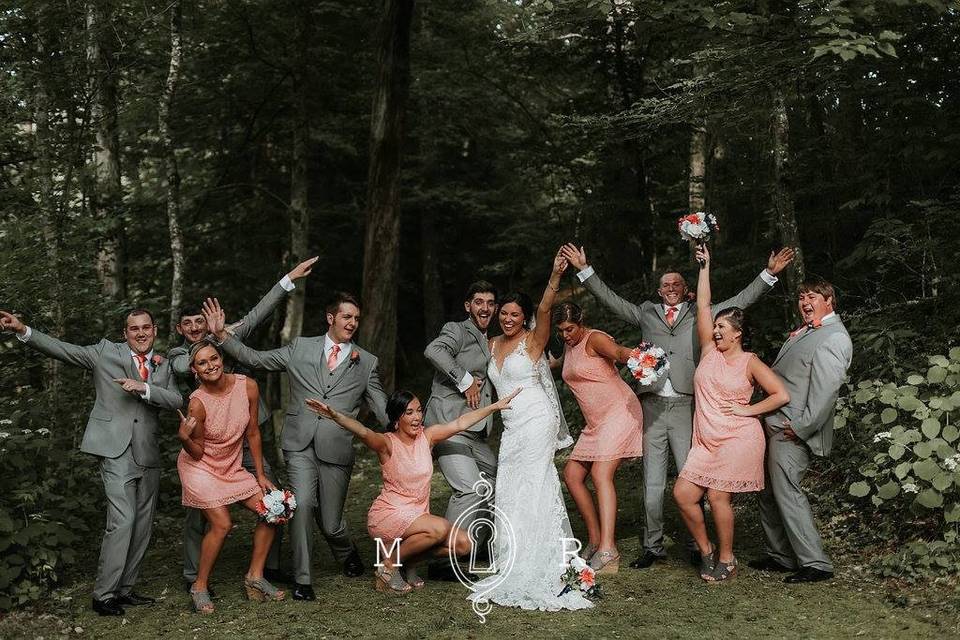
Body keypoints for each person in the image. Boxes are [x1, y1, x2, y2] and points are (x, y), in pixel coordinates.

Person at [561, 243, 795, 569]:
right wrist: (585, 271)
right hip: (652, 406)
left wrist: (769, 275)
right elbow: (612, 301)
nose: (670, 289)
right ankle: (652, 545)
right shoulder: (645, 311)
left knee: (691, 476)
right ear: (658, 291)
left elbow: (740, 302)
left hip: (688, 407)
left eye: (676, 285)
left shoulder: (702, 315)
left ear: (685, 291)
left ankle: (697, 545)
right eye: (665, 285)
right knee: (652, 481)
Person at [204, 292, 389, 602]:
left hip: (336, 449)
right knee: (301, 505)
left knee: (331, 524)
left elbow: (382, 407)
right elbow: (256, 359)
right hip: (298, 444)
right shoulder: (300, 348)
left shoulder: (366, 362)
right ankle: (303, 580)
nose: (353, 323)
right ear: (331, 318)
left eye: (356, 318)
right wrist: (222, 335)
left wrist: (404, 428)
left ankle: (345, 550)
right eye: (347, 317)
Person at [0, 309, 182, 616]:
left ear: (154, 330)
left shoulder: (164, 365)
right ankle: (104, 594)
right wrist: (23, 330)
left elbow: (177, 401)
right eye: (133, 328)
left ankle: (125, 589)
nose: (140, 333)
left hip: (148, 453)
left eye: (145, 327)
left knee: (142, 525)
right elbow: (63, 350)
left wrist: (145, 388)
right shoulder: (104, 352)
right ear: (124, 333)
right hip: (114, 450)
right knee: (122, 521)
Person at [173, 257, 317, 589]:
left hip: (245, 431)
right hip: (206, 446)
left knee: (272, 494)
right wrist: (208, 346)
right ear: (180, 328)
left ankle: (267, 569)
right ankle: (195, 577)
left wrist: (289, 277)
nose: (196, 327)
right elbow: (184, 369)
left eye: (200, 321)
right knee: (201, 513)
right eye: (188, 323)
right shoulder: (178, 355)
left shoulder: (223, 336)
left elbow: (258, 313)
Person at [468, 250, 592, 612]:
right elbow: (476, 370)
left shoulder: (534, 340)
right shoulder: (490, 344)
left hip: (538, 419)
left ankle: (545, 560)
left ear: (524, 319)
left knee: (536, 485)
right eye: (503, 314)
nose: (507, 319)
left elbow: (543, 310)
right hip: (511, 426)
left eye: (514, 315)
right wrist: (470, 383)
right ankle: (512, 560)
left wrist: (554, 277)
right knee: (509, 486)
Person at [305, 388, 520, 593]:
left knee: (465, 544)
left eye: (419, 410)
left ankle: (406, 560)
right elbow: (363, 431)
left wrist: (493, 407)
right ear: (397, 419)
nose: (417, 417)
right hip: (389, 514)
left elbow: (461, 422)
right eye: (409, 412)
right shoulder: (386, 443)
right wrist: (335, 415)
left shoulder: (428, 437)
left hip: (417, 516)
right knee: (440, 528)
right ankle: (389, 565)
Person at [672, 246, 790, 582]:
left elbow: (781, 394)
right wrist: (705, 266)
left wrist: (749, 409)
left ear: (738, 333)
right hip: (706, 440)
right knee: (683, 494)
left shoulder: (750, 361)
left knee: (717, 496)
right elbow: (703, 305)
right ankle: (706, 550)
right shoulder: (708, 351)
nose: (717, 331)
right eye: (716, 327)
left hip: (738, 436)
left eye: (723, 327)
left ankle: (727, 559)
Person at [751, 278, 852, 583]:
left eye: (812, 297)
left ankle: (815, 563)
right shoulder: (808, 332)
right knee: (767, 492)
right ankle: (780, 555)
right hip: (775, 423)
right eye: (801, 298)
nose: (805, 302)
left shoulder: (834, 337)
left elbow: (825, 392)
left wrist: (801, 427)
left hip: (791, 430)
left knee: (788, 493)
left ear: (829, 299)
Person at [177, 342, 284, 612]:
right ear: (194, 370)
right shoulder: (198, 404)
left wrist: (259, 475)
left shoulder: (247, 386)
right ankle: (199, 586)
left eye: (214, 358)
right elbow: (198, 453)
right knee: (222, 524)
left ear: (222, 359)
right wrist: (183, 437)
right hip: (200, 468)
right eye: (202, 363)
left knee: (273, 509)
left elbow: (253, 434)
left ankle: (255, 577)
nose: (210, 365)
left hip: (231, 465)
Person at [554, 302, 643, 574]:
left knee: (601, 475)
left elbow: (618, 352)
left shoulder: (595, 338)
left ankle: (608, 551)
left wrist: (645, 358)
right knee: (571, 475)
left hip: (619, 412)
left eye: (569, 329)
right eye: (561, 332)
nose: (566, 335)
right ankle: (594, 539)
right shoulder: (570, 345)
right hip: (595, 423)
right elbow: (562, 365)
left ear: (581, 321)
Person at [423, 281, 498, 571]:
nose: (485, 308)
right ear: (468, 306)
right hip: (448, 423)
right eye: (479, 302)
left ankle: (475, 546)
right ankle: (444, 554)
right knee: (468, 489)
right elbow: (433, 351)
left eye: (490, 302)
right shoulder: (457, 330)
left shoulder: (490, 338)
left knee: (493, 484)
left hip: (477, 431)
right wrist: (464, 380)